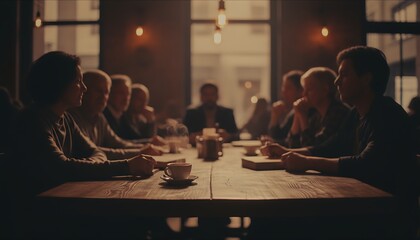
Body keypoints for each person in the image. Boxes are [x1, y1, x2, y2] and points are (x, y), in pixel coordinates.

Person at [258, 46, 418, 239]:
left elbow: (365, 164)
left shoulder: (387, 114)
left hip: (384, 217)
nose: (337, 81)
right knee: (271, 219)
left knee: (280, 222)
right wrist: (287, 150)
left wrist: (307, 162)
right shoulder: (356, 113)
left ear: (366, 78)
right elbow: (329, 146)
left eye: (344, 75)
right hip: (359, 204)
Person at [7, 51, 157, 239]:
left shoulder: (65, 117)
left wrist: (81, 164)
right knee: (129, 224)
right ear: (58, 83)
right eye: (78, 82)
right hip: (41, 217)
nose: (84, 88)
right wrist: (127, 165)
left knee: (135, 221)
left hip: (66, 205)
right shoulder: (32, 119)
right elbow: (61, 168)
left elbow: (95, 151)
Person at [69, 70, 163, 160]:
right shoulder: (72, 118)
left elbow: (118, 143)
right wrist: (139, 152)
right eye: (98, 91)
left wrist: (147, 145)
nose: (103, 97)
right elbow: (92, 151)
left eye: (106, 92)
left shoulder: (99, 117)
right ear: (84, 91)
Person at [286, 67, 350, 148]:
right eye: (304, 89)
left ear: (325, 90)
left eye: (309, 89)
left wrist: (302, 117)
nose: (304, 94)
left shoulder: (338, 113)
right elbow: (293, 145)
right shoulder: (317, 116)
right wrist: (298, 113)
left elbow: (312, 149)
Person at [268, 70, 303, 145]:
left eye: (288, 88)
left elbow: (293, 144)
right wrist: (275, 116)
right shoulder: (292, 113)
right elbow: (279, 136)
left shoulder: (306, 111)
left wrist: (273, 142)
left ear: (300, 91)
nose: (283, 92)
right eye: (283, 87)